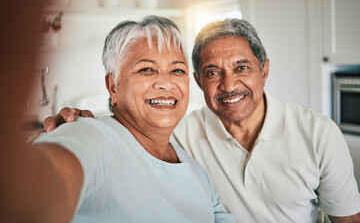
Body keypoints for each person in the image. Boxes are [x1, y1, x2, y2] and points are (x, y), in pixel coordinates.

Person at [45, 18, 360, 222]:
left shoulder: (317, 133)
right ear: (199, 81)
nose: (229, 84)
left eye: (242, 68)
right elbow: (48, 174)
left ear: (264, 70)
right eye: (146, 69)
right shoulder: (166, 134)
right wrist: (79, 125)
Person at [6, 16, 235, 223]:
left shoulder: (195, 170)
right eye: (146, 69)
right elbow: (32, 194)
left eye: (177, 71)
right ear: (113, 86)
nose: (166, 83)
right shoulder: (91, 135)